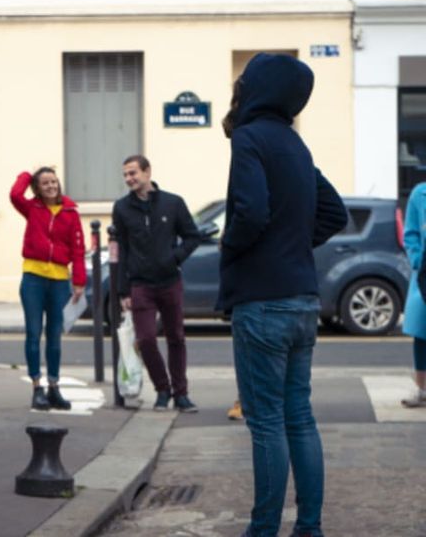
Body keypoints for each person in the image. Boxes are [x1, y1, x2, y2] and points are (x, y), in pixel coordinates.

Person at [218, 53, 347, 537]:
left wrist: (233, 248)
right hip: (302, 298)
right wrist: (290, 245)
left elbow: (249, 214)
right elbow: (333, 213)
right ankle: (308, 527)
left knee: (266, 422)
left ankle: (263, 529)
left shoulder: (250, 138)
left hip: (262, 300)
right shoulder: (296, 144)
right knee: (299, 417)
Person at [112, 155, 201, 412]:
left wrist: (174, 258)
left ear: (147, 172)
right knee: (146, 339)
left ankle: (181, 394)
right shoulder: (122, 208)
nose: (129, 179)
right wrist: (122, 290)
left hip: (170, 281)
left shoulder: (173, 203)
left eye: (133, 173)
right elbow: (122, 249)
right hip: (140, 285)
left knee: (176, 338)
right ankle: (162, 389)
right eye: (125, 175)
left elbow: (191, 237)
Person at [10, 168, 86, 410]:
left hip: (59, 281)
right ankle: (36, 388)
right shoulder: (32, 208)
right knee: (33, 333)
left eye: (54, 181)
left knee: (55, 337)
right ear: (38, 188)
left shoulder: (71, 213)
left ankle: (54, 387)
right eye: (45, 183)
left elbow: (78, 249)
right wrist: (26, 175)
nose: (51, 186)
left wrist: (79, 282)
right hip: (33, 278)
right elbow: (14, 195)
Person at [401, 182, 426, 408]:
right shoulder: (420, 193)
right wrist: (417, 259)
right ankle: (421, 389)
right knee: (421, 332)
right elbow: (410, 234)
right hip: (425, 274)